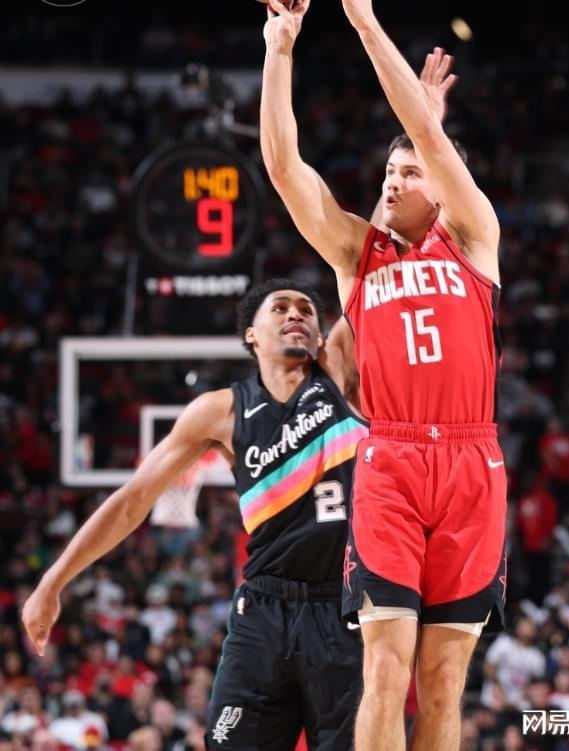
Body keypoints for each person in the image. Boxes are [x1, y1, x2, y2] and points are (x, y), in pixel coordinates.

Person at [260, 2, 507, 749]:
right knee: (385, 669)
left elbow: (428, 138)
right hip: (391, 461)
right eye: (387, 172)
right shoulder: (355, 256)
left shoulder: (473, 237)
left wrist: (365, 22)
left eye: (408, 173)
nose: (392, 183)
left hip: (471, 462)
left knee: (444, 681)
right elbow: (285, 169)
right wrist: (279, 50)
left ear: (441, 186)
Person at [21, 279, 370, 751]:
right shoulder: (220, 411)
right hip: (264, 610)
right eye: (281, 307)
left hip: (344, 604)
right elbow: (132, 500)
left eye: (307, 310)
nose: (297, 314)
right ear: (251, 333)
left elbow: (364, 270)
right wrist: (52, 581)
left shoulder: (339, 373)